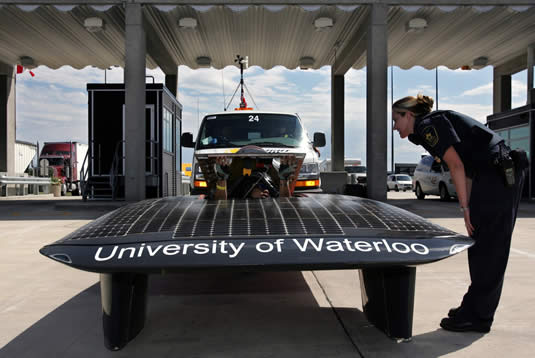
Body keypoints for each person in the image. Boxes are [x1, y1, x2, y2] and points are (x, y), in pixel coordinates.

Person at [392, 94, 528, 333]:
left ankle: (478, 316)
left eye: (396, 119)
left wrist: (465, 209)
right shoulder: (428, 127)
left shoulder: (427, 126)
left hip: (497, 175)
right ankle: (474, 307)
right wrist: (470, 207)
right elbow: (465, 166)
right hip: (493, 175)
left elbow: (456, 165)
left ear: (409, 115)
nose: (394, 126)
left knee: (489, 248)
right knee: (483, 247)